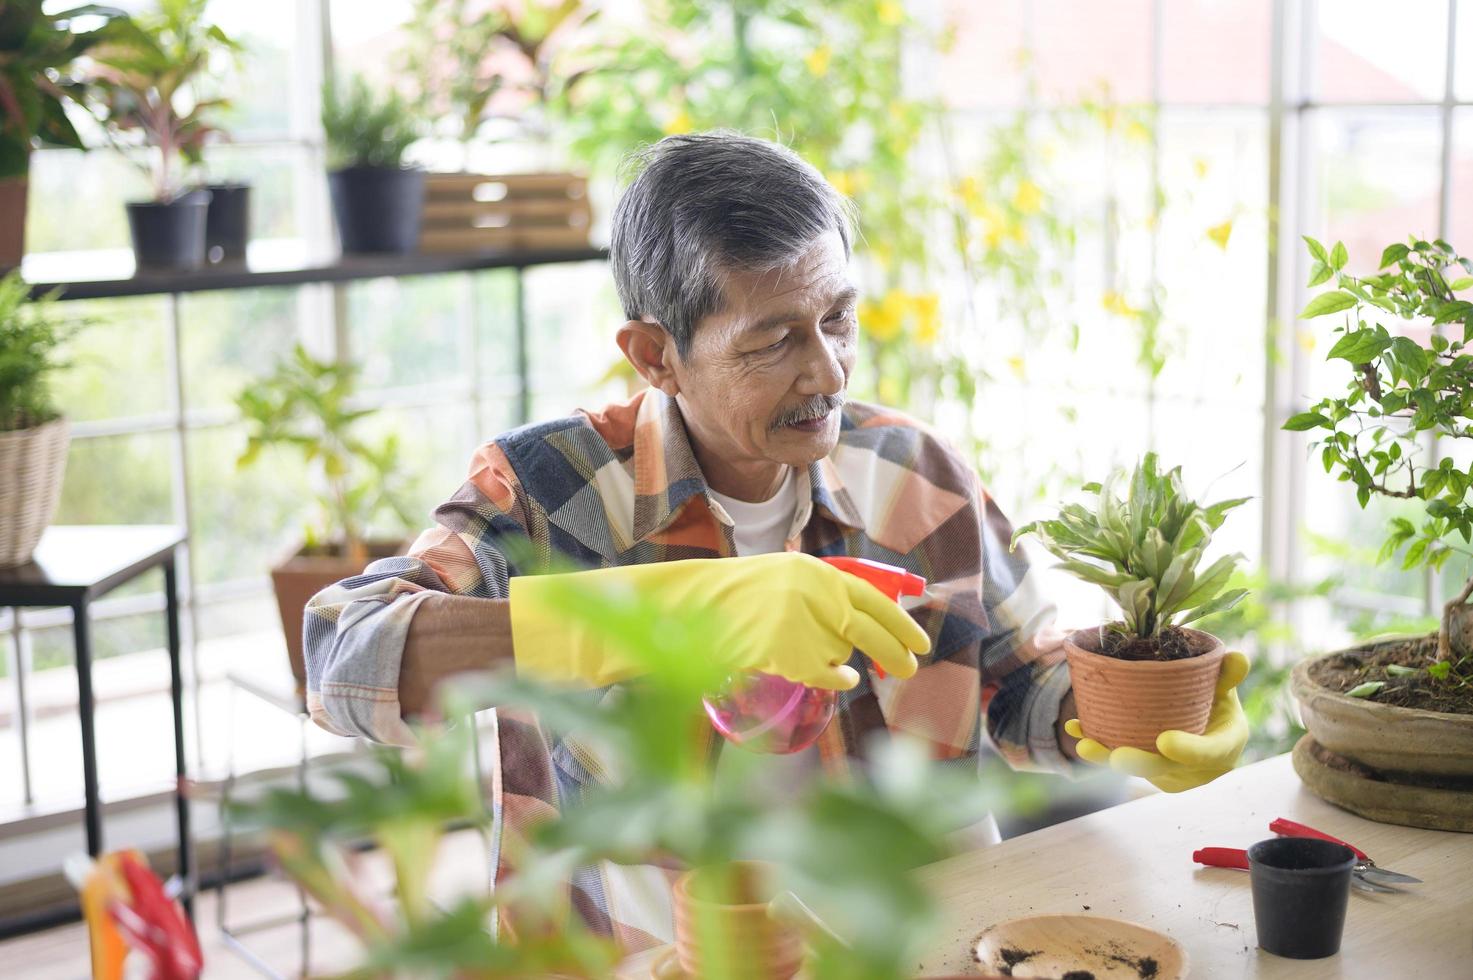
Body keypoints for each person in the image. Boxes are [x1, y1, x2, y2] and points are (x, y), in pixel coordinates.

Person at [303, 131, 1249, 949]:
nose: (827, 369)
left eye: (837, 316)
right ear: (655, 355)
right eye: (773, 341)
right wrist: (663, 614)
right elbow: (341, 655)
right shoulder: (553, 491)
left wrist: (1131, 718)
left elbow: (1011, 685)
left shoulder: (910, 475)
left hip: (908, 940)